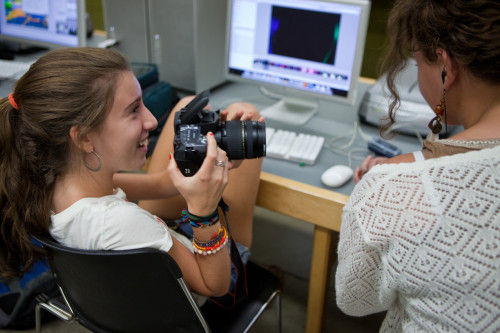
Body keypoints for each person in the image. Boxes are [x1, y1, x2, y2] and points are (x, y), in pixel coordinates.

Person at [0, 47, 264, 301]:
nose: (151, 121)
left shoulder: (55, 181)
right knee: (247, 119)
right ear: (83, 137)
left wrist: (208, 166)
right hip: (208, 275)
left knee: (186, 106)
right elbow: (213, 287)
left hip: (148, 258)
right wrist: (204, 212)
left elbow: (160, 184)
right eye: (133, 110)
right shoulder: (119, 222)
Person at [335, 0, 500, 331]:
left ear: (444, 67)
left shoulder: (391, 186)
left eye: (415, 58)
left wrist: (385, 191)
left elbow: (355, 300)